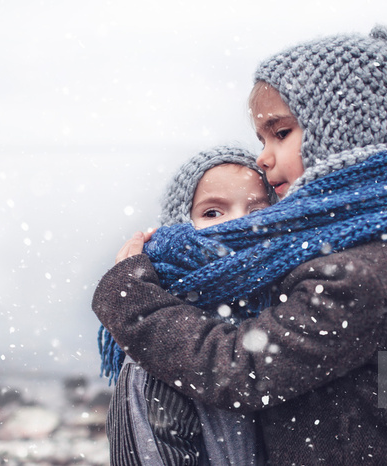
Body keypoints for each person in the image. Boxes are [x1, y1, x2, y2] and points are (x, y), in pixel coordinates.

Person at [94, 25, 387, 464]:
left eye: (281, 133)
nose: (264, 157)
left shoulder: (361, 269)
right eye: (261, 139)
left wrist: (131, 299)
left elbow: (241, 371)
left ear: (338, 131)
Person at [100, 146, 276, 466]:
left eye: (257, 210)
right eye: (212, 212)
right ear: (182, 224)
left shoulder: (289, 311)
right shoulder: (158, 346)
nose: (236, 223)